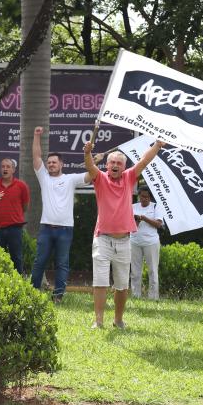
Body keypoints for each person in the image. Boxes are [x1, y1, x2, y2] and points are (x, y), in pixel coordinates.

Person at [83, 138, 164, 329]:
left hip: (125, 240)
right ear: (107, 165)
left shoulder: (129, 178)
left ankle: (118, 320)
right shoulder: (100, 178)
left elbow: (143, 161)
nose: (115, 166)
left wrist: (157, 145)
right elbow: (90, 167)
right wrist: (87, 153)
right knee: (100, 282)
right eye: (112, 163)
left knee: (122, 285)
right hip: (102, 238)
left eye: (119, 163)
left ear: (124, 167)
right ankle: (99, 320)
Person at [30, 126, 91, 302]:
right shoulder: (43, 177)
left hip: (65, 229)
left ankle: (58, 296)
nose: (50, 165)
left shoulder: (70, 179)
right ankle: (33, 293)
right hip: (46, 228)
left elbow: (90, 176)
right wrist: (36, 136)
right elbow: (36, 156)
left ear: (61, 164)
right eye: (49, 162)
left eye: (54, 162)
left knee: (62, 264)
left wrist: (91, 160)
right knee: (39, 262)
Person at [0, 158, 30, 273]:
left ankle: (19, 284)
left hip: (15, 228)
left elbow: (25, 207)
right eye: (3, 166)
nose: (5, 169)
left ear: (13, 170)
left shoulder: (21, 186)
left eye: (8, 167)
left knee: (17, 258)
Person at [130, 185, 164, 300]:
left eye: (147, 197)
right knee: (135, 271)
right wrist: (137, 221)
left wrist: (144, 218)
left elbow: (159, 224)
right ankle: (136, 296)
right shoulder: (132, 207)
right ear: (139, 196)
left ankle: (153, 297)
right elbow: (129, 226)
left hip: (151, 242)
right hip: (134, 241)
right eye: (142, 196)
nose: (144, 199)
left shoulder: (156, 207)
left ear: (150, 197)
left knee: (153, 270)